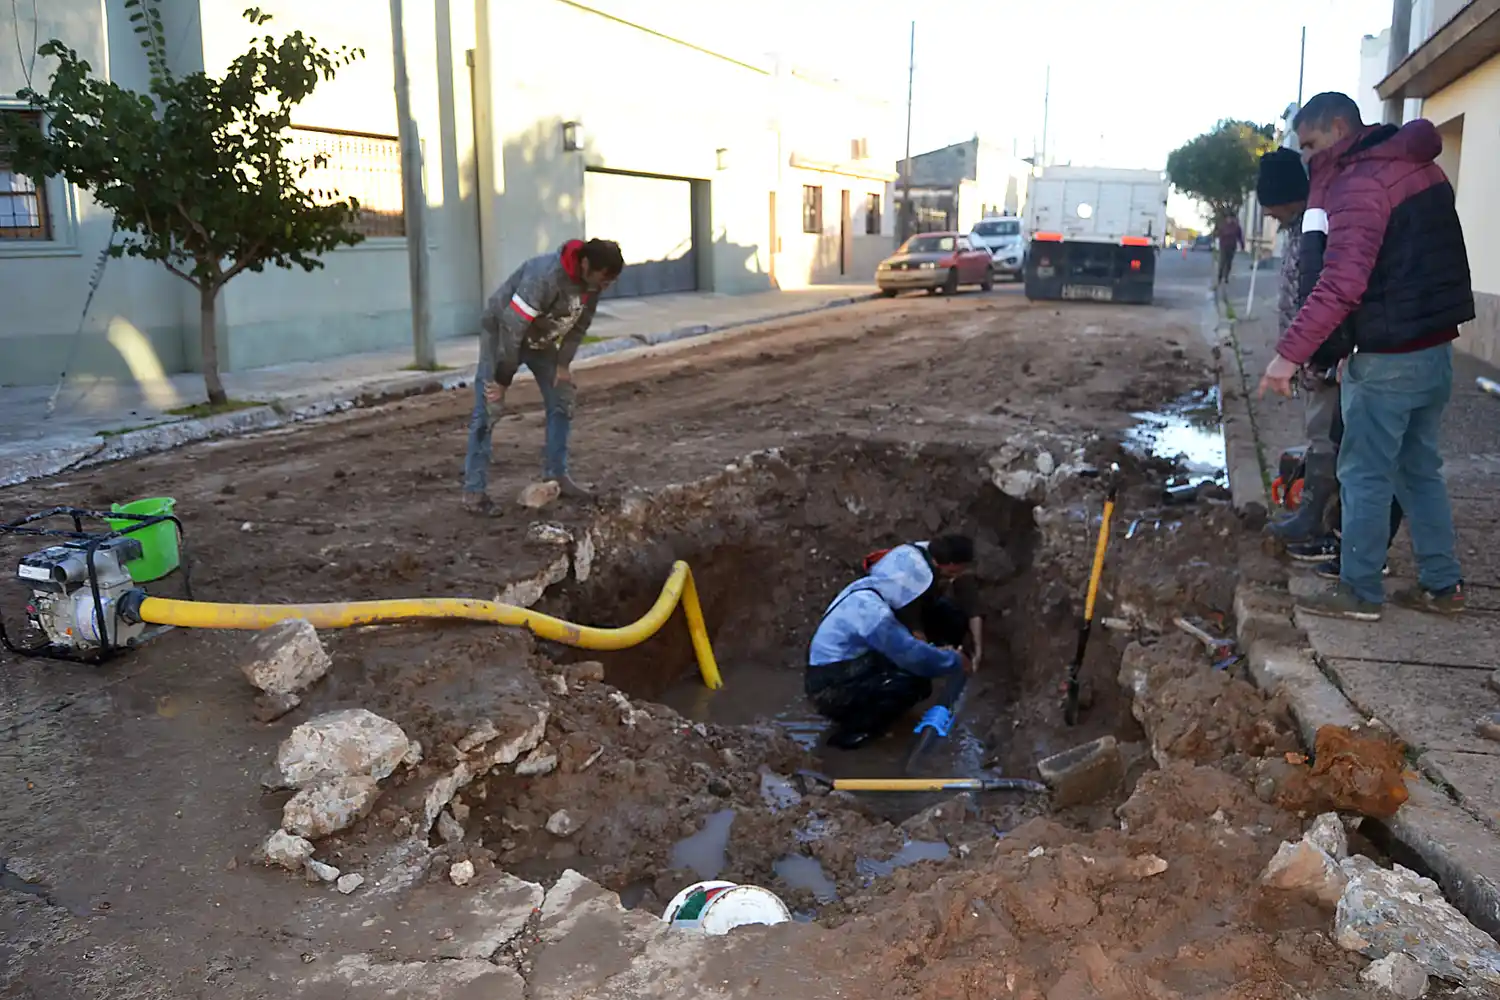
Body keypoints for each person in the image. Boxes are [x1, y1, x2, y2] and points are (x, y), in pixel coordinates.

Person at [1259, 92, 1472, 621]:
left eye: (1309, 143)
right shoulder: (1421, 169)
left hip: (1385, 355)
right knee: (1419, 470)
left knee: (1365, 474)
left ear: (1338, 127)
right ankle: (1442, 587)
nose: (1306, 157)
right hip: (1433, 350)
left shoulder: (1360, 184)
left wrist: (1289, 356)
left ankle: (1358, 591)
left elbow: (1341, 283)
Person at [463, 238, 625, 515]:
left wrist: (563, 365)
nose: (606, 285)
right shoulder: (544, 277)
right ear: (586, 264)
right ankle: (474, 492)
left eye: (610, 280)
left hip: (539, 339)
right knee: (489, 407)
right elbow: (512, 332)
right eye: (604, 278)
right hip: (502, 334)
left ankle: (557, 476)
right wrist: (502, 380)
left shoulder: (594, 285)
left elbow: (579, 326)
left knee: (562, 396)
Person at [806, 538, 977, 750]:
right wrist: (954, 661)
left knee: (937, 624)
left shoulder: (873, 589)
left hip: (845, 666)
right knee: (911, 683)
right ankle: (853, 734)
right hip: (830, 685)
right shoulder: (873, 614)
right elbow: (913, 657)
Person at [1215, 212, 1244, 285]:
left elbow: (1239, 237)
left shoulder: (1236, 227)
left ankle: (1226, 276)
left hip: (1232, 246)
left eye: (1231, 218)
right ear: (1226, 219)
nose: (1229, 219)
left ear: (1233, 219)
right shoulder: (1223, 226)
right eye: (1228, 218)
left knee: (1229, 263)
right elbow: (1217, 234)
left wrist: (1242, 245)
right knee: (1222, 262)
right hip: (1224, 246)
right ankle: (1219, 277)